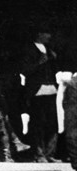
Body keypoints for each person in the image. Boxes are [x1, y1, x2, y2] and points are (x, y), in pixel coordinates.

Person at [20, 28, 59, 163]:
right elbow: (24, 71)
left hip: (51, 89)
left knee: (52, 122)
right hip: (36, 91)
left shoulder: (49, 50)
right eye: (47, 33)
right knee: (38, 123)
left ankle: (49, 153)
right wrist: (39, 63)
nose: (49, 36)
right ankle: (39, 154)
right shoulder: (29, 50)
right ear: (39, 34)